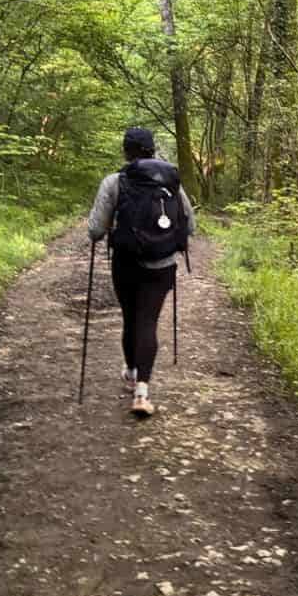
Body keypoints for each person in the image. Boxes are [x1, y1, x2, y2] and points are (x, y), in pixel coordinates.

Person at [88, 127, 197, 416]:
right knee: (147, 321)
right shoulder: (172, 182)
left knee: (131, 318)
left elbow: (96, 229)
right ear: (152, 150)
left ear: (126, 151)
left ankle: (132, 370)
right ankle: (142, 394)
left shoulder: (114, 182)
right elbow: (191, 225)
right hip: (162, 265)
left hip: (125, 262)